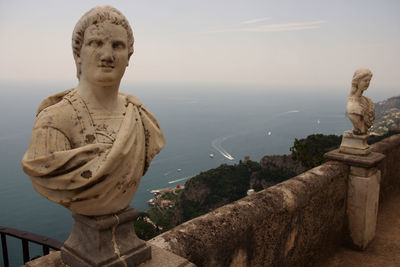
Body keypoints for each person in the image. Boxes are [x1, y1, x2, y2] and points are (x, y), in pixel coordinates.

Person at [22, 6, 165, 216]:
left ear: (128, 57)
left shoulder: (141, 118)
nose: (107, 55)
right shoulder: (53, 121)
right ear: (78, 54)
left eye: (117, 46)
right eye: (96, 43)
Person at [346, 68, 375, 135]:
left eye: (369, 80)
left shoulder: (368, 101)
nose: (368, 83)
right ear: (357, 82)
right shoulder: (352, 106)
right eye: (365, 80)